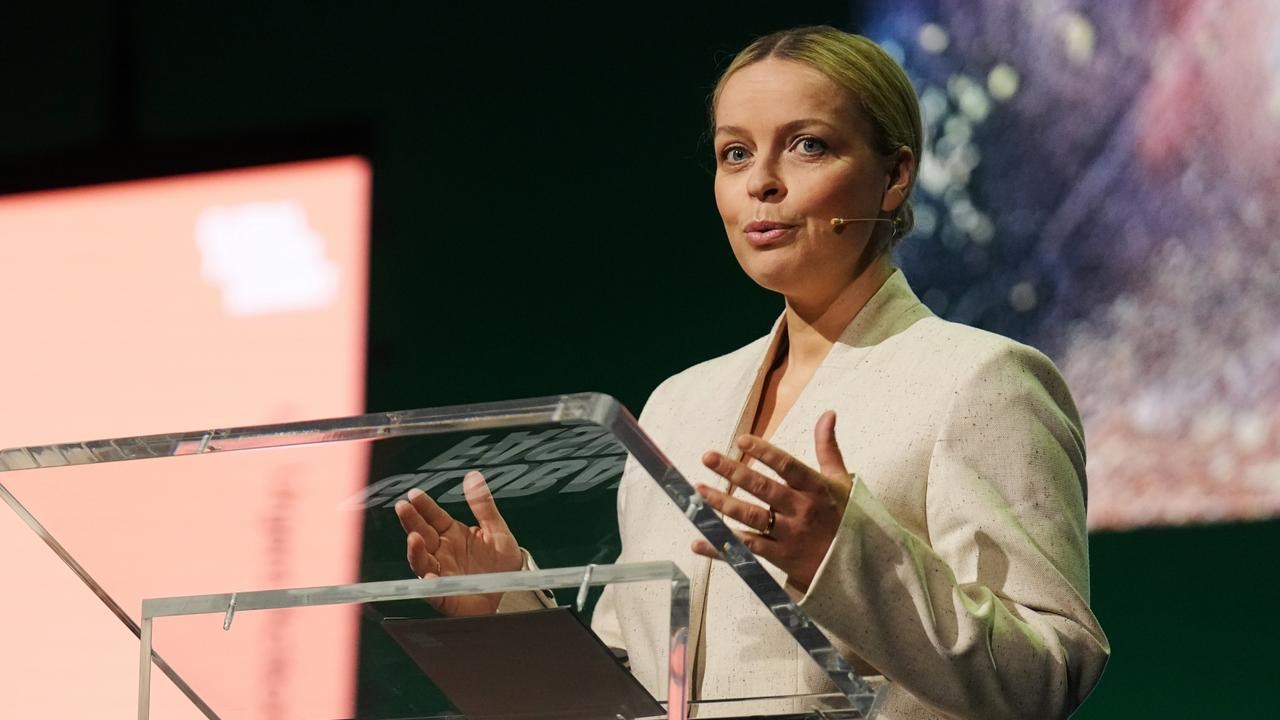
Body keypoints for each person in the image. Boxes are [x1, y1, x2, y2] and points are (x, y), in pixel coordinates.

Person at [395, 25, 1110, 719]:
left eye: (807, 146)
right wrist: (505, 613)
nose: (761, 183)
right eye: (734, 154)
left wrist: (846, 557)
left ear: (893, 177)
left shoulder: (980, 381)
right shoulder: (679, 404)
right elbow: (633, 685)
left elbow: (1048, 673)